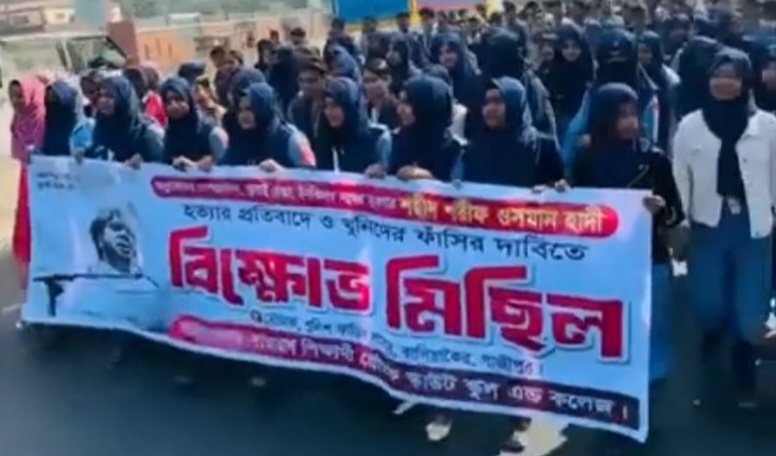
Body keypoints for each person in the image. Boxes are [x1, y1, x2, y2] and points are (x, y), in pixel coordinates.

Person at [571, 82, 684, 451]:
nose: (630, 122)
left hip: (650, 261)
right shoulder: (586, 159)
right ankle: (611, 414)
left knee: (652, 338)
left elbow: (676, 213)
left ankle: (643, 414)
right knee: (611, 339)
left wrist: (661, 210)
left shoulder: (654, 160)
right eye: (620, 115)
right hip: (604, 266)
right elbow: (574, 208)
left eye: (634, 113)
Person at [673, 48, 776, 409]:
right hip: (708, 226)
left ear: (745, 81)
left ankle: (743, 370)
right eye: (718, 74)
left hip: (754, 227)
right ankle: (714, 338)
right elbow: (679, 176)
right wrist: (680, 222)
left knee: (750, 311)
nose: (724, 82)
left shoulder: (768, 126)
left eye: (732, 76)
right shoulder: (690, 126)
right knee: (709, 303)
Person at [562, 28, 659, 167]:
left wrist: (597, 139)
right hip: (596, 167)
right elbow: (575, 131)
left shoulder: (647, 94)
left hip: (636, 168)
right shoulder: (593, 92)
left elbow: (649, 139)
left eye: (622, 64)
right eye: (611, 63)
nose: (616, 69)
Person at [219, 82, 316, 170]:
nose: (243, 116)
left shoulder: (291, 139)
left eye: (249, 109)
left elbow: (310, 177)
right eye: (240, 110)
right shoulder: (239, 140)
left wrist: (282, 173)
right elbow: (223, 168)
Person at [388, 75, 463, 182]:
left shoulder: (456, 151)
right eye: (400, 102)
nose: (400, 110)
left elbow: (461, 189)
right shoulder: (393, 142)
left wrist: (429, 180)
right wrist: (381, 173)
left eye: (408, 104)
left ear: (429, 107)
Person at [9, 77, 45, 290]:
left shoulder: (44, 118)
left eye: (20, 95)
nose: (16, 101)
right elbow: (17, 150)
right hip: (27, 177)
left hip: (46, 180)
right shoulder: (18, 120)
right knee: (26, 221)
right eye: (12, 96)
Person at [314, 76, 391, 175]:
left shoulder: (378, 138)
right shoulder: (325, 138)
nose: (329, 112)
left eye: (335, 105)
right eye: (325, 106)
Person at [86, 75, 164, 165]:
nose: (103, 100)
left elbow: (163, 163)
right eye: (101, 95)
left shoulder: (147, 134)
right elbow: (98, 152)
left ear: (123, 99)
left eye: (110, 96)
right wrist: (84, 153)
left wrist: (145, 160)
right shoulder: (102, 127)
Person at [160, 77, 228, 170]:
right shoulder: (170, 133)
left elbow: (225, 167)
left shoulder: (209, 130)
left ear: (189, 99)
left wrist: (196, 166)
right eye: (168, 102)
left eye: (178, 99)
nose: (174, 106)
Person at [41, 79, 94, 156]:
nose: (50, 101)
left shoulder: (87, 128)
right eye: (47, 98)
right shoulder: (44, 127)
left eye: (54, 98)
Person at [362, 58, 400, 129]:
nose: (366, 86)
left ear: (387, 80)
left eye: (372, 80)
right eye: (365, 81)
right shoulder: (363, 109)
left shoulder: (397, 110)